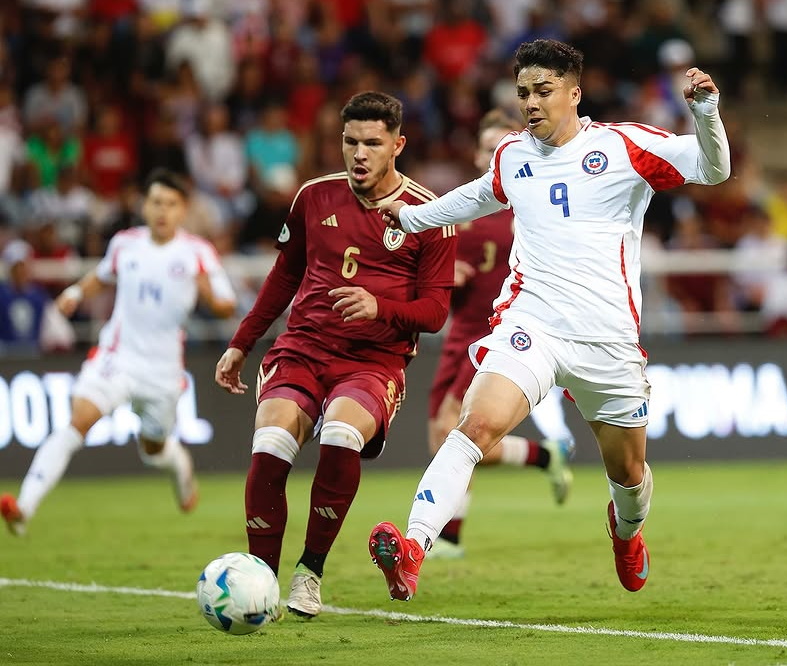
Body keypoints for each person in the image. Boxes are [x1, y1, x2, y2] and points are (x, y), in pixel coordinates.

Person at [368, 39, 732, 601]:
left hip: (607, 341)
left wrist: (705, 112)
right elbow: (472, 199)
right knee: (474, 428)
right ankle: (414, 548)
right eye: (522, 93)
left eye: (543, 91)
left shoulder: (623, 146)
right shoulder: (512, 155)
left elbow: (714, 169)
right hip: (532, 324)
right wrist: (413, 217)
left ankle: (626, 532)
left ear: (574, 93)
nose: (531, 103)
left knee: (630, 475)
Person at [213, 92, 457, 618]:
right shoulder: (313, 197)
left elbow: (436, 311)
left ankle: (310, 572)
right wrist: (242, 341)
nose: (359, 154)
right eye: (350, 142)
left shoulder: (430, 213)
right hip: (302, 348)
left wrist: (379, 306)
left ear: (398, 144)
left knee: (341, 435)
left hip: (374, 360)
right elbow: (285, 276)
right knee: (272, 444)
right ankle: (260, 580)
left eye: (372, 143)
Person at [0, 168, 237, 537]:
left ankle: (179, 465)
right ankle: (24, 508)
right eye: (156, 202)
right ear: (145, 205)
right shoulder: (126, 243)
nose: (162, 211)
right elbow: (102, 274)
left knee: (153, 449)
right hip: (117, 357)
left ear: (183, 210)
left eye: (171, 204)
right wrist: (76, 293)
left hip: (161, 372)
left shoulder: (198, 253)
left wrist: (208, 294)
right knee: (77, 421)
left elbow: (227, 305)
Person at [426, 108, 576, 561]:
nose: (494, 155)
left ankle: (448, 534)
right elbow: (435, 268)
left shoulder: (527, 207)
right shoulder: (464, 205)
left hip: (497, 331)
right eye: (487, 147)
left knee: (450, 428)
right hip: (458, 331)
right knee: (445, 434)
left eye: (501, 146)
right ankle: (543, 456)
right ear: (476, 153)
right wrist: (443, 277)